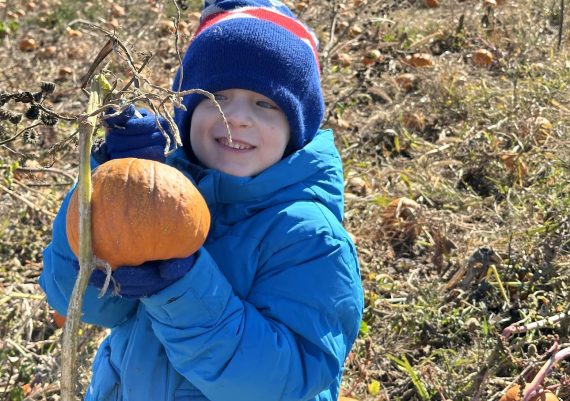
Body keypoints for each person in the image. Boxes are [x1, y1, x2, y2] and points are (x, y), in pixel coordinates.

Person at [39, 0, 364, 400]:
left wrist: (183, 289)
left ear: (295, 129)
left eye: (266, 104)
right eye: (218, 96)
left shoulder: (309, 238)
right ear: (187, 112)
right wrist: (107, 185)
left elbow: (278, 383)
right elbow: (86, 306)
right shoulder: (157, 190)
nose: (238, 117)